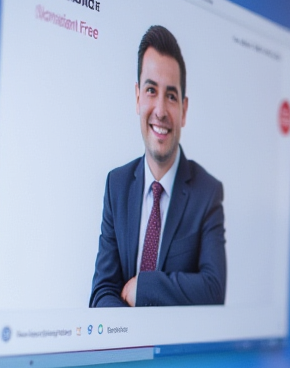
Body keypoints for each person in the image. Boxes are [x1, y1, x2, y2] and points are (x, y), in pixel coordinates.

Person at [90, 25, 227, 307]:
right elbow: (102, 291)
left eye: (172, 96)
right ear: (138, 97)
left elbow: (213, 289)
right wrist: (131, 340)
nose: (161, 111)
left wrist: (145, 287)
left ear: (184, 110)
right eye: (151, 90)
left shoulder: (207, 192)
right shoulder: (116, 185)